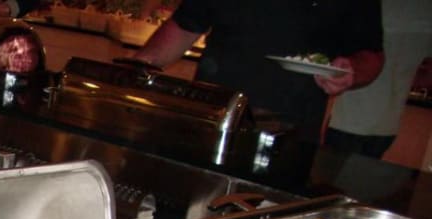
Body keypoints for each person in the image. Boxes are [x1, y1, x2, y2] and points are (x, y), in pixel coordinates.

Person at [133, 0, 385, 143]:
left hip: (290, 132)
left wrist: (352, 71)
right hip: (214, 119)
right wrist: (135, 68)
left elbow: (372, 55)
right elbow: (185, 26)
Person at [326, 0, 432, 159]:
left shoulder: (374, 7)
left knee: (330, 171)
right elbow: (426, 79)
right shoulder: (425, 11)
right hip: (388, 125)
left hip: (349, 120)